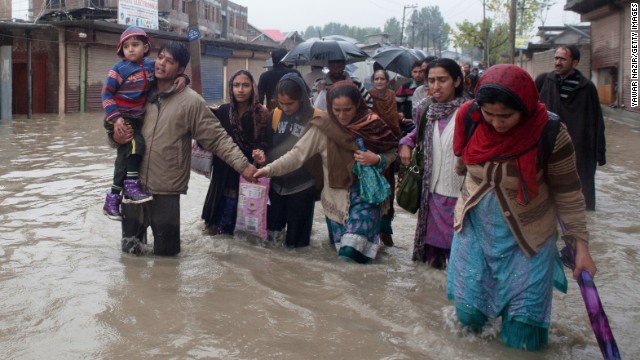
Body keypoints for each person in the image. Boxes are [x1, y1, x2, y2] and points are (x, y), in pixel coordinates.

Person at [447, 64, 597, 351]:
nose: (496, 123)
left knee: (522, 335)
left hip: (529, 238)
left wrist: (581, 247)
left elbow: (569, 194)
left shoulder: (551, 133)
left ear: (526, 107)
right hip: (476, 228)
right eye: (489, 114)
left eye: (506, 116)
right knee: (469, 317)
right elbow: (461, 164)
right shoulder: (470, 118)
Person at [112, 41, 257, 256]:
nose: (161, 63)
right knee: (130, 254)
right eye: (160, 57)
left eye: (169, 61)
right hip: (133, 185)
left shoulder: (191, 102)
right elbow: (114, 125)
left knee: (167, 260)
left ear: (180, 70)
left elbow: (216, 138)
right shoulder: (137, 92)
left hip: (166, 190)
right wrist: (115, 136)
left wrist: (244, 167)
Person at [255, 81, 398, 263]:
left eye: (347, 109)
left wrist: (377, 159)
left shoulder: (373, 125)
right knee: (341, 258)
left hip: (367, 197)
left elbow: (393, 150)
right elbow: (297, 155)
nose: (341, 115)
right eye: (336, 109)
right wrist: (268, 170)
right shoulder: (323, 126)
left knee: (349, 254)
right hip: (335, 201)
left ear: (358, 105)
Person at [101, 26, 188, 220]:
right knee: (136, 143)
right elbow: (106, 94)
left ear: (146, 47)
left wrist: (183, 77)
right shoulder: (118, 69)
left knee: (123, 158)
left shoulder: (150, 67)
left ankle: (113, 198)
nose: (130, 49)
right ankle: (131, 185)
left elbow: (167, 74)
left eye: (135, 45)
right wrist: (115, 120)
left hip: (135, 118)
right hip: (120, 117)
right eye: (126, 46)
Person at [398, 58, 466, 268]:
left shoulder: (469, 111)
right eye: (432, 81)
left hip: (462, 196)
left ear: (456, 81)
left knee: (461, 258)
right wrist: (405, 143)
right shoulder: (424, 109)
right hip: (432, 197)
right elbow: (416, 134)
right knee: (433, 263)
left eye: (442, 80)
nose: (436, 86)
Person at [252, 73, 322, 248]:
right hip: (276, 185)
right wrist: (262, 155)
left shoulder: (316, 118)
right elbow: (268, 144)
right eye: (281, 103)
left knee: (297, 244)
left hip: (303, 186)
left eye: (290, 103)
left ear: (301, 98)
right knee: (271, 238)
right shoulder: (274, 115)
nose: (285, 107)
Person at [536, 45, 606, 211]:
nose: (557, 62)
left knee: (580, 197)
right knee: (546, 193)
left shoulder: (586, 87)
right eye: (556, 58)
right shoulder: (544, 81)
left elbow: (597, 121)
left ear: (574, 63)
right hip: (548, 145)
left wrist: (600, 153)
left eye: (562, 59)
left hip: (579, 148)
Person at [201, 69, 270, 235]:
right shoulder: (222, 111)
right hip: (223, 169)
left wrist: (261, 152)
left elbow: (266, 141)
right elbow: (211, 138)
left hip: (248, 169)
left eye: (245, 85)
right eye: (236, 85)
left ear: (253, 88)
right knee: (216, 225)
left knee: (245, 219)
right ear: (231, 88)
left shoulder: (261, 114)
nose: (240, 90)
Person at [369, 69, 403, 247]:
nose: (380, 81)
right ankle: (372, 231)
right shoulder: (369, 96)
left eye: (382, 78)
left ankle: (386, 230)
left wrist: (398, 119)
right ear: (373, 81)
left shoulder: (391, 95)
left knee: (387, 190)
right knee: (372, 189)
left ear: (388, 81)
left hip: (389, 146)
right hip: (371, 147)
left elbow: (392, 119)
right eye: (377, 78)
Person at [396, 61, 425, 136]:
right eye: (415, 72)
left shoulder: (429, 87)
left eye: (420, 72)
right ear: (411, 73)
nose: (417, 75)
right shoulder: (405, 87)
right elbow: (396, 104)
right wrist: (401, 115)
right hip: (409, 123)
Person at [410, 56, 438, 121]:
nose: (424, 73)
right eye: (423, 70)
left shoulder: (447, 89)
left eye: (428, 70)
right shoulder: (419, 91)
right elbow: (416, 113)